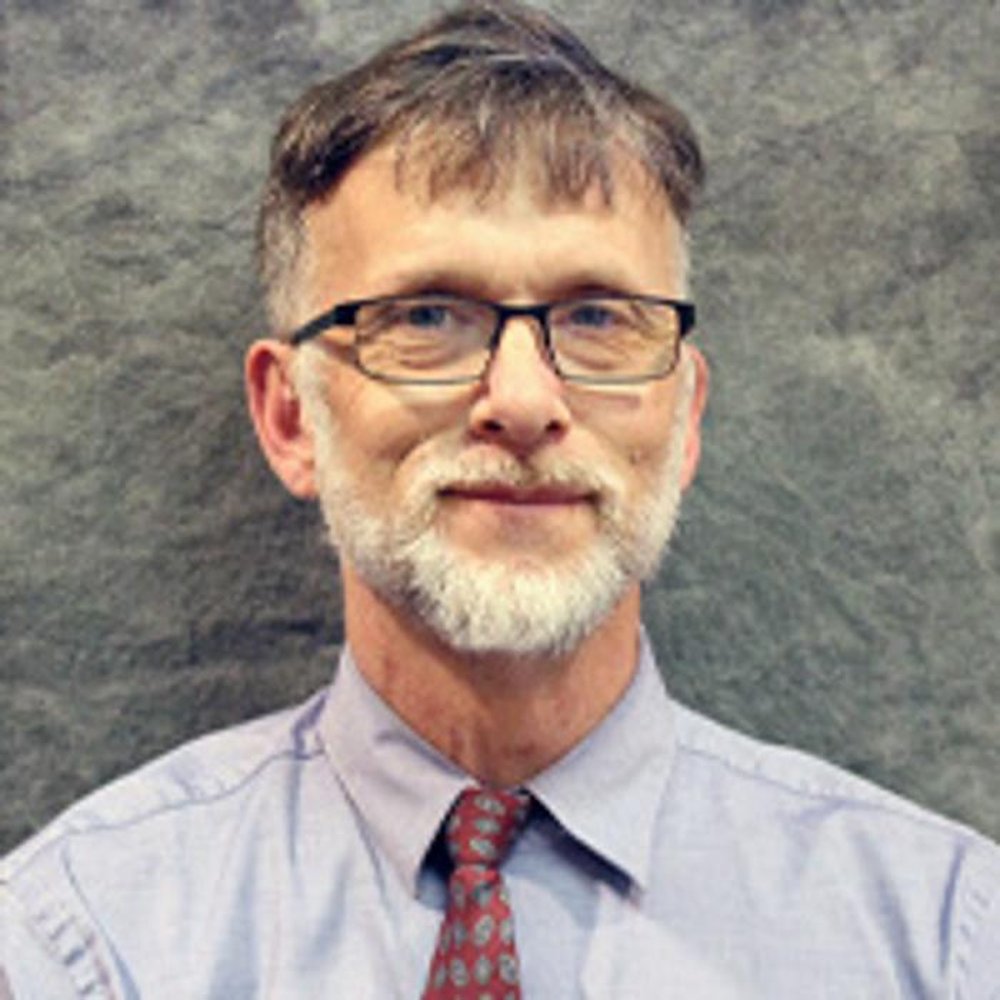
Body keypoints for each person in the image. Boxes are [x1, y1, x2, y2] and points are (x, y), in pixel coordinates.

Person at [2, 1, 998, 996]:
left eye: (598, 316)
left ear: (684, 414)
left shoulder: (942, 940)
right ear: (291, 417)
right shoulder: (81, 944)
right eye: (427, 315)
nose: (522, 402)